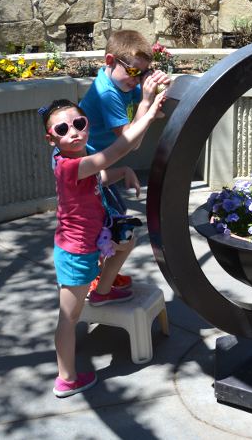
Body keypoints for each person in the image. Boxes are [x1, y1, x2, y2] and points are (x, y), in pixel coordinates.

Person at [41, 93, 165, 398]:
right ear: (51, 139)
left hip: (96, 238)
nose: (73, 132)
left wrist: (122, 173)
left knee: (127, 240)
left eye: (79, 124)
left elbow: (98, 176)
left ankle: (104, 291)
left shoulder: (74, 161)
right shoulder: (69, 166)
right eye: (62, 129)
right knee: (68, 319)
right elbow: (118, 150)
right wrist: (147, 117)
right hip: (76, 253)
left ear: (86, 124)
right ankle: (67, 378)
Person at [79, 30, 170, 291]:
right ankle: (98, 286)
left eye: (142, 73)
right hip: (89, 173)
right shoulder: (107, 94)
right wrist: (145, 101)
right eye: (132, 72)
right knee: (113, 230)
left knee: (113, 225)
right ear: (110, 61)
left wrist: (163, 86)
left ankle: (100, 277)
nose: (136, 79)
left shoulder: (124, 83)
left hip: (103, 170)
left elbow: (160, 113)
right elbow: (132, 142)